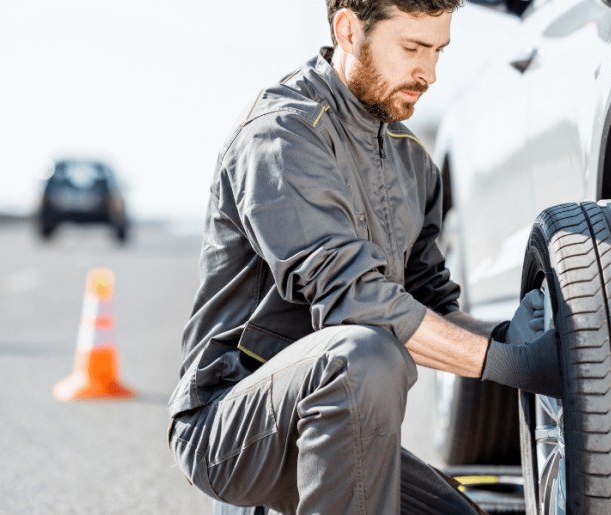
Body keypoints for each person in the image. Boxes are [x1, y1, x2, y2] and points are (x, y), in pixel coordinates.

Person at [167, 1, 561, 513]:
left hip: (338, 420)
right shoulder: (281, 134)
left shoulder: (411, 160)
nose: (430, 73)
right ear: (348, 30)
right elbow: (353, 300)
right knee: (366, 355)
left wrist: (506, 335)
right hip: (232, 426)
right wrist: (511, 364)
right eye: (413, 48)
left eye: (438, 50)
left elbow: (431, 311)